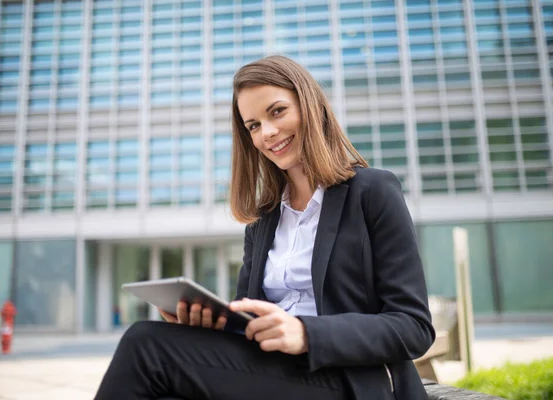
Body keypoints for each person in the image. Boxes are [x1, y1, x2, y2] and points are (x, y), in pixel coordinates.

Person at [94, 55, 435, 400]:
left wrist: (306, 333)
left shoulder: (373, 191)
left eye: (277, 111)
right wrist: (211, 325)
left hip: (352, 381)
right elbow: (249, 318)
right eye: (253, 125)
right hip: (272, 371)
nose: (268, 133)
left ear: (310, 106)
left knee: (145, 343)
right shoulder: (264, 219)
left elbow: (413, 327)